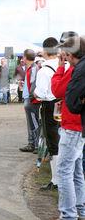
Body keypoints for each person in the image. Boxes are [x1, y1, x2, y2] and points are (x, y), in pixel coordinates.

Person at [52, 37, 85, 220]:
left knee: (64, 171)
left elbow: (56, 90)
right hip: (79, 126)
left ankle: (68, 214)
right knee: (76, 171)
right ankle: (80, 210)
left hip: (72, 125)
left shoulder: (74, 69)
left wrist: (60, 67)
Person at [34, 37, 60, 190]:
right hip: (63, 104)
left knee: (52, 142)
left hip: (50, 106)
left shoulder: (44, 70)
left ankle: (56, 180)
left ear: (45, 51)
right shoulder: (64, 65)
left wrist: (36, 93)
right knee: (62, 139)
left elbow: (40, 93)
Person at [19, 49, 41, 153]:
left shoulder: (33, 69)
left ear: (25, 57)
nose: (22, 58)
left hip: (31, 99)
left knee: (33, 122)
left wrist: (31, 97)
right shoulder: (31, 68)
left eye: (23, 56)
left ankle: (35, 145)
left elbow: (33, 84)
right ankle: (32, 143)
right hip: (30, 98)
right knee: (31, 122)